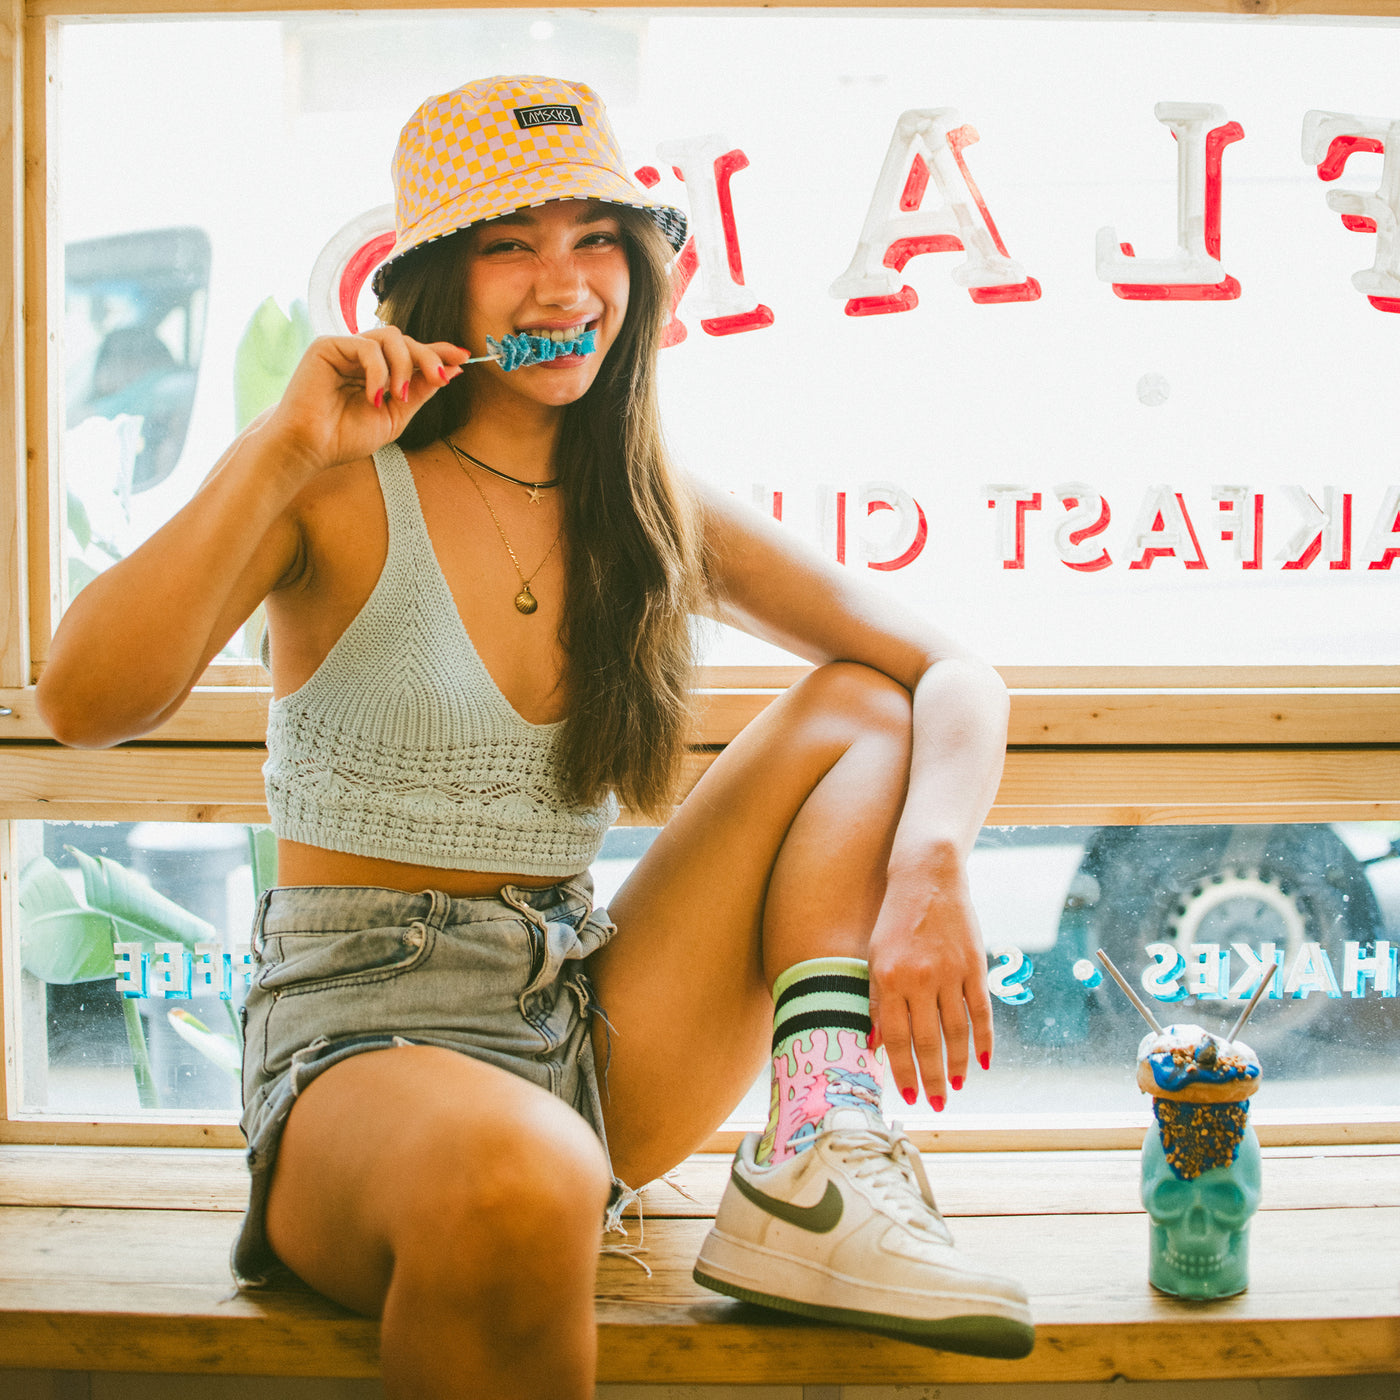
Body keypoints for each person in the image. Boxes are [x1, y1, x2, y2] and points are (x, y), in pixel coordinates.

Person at [37, 74, 1031, 1400]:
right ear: (438, 281)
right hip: (357, 1050)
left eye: (596, 240)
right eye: (512, 244)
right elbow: (81, 701)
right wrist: (280, 445)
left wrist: (934, 866)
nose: (566, 284)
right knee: (525, 1175)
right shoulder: (331, 482)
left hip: (585, 1017)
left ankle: (819, 1142)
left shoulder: (652, 507)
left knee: (860, 698)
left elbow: (950, 671)